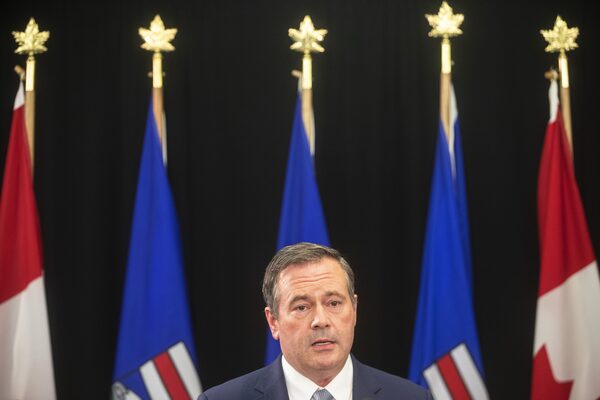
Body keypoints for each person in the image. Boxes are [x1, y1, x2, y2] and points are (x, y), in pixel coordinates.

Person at [199, 242, 432, 399]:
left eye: (334, 303)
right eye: (302, 307)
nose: (321, 320)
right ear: (273, 321)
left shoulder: (411, 397)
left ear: (354, 310)